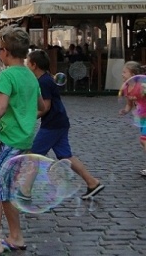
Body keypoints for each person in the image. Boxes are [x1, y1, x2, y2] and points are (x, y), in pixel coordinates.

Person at [0, 26, 45, 256]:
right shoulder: (30, 76)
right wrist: (26, 117)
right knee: (8, 189)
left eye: (0, 49)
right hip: (25, 140)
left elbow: (1, 108)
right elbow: (41, 108)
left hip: (10, 141)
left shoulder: (7, 75)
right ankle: (16, 237)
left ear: (5, 52)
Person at [26, 50, 104, 200]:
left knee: (34, 156)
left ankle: (25, 192)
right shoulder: (46, 79)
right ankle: (92, 182)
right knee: (65, 156)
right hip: (60, 122)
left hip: (52, 124)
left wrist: (29, 118)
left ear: (34, 65)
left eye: (27, 62)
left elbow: (46, 107)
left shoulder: (43, 81)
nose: (26, 64)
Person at [119, 61, 146, 175]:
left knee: (144, 140)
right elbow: (129, 104)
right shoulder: (126, 88)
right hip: (141, 118)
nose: (122, 74)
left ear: (133, 74)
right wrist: (125, 110)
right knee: (143, 142)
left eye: (125, 72)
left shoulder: (142, 86)